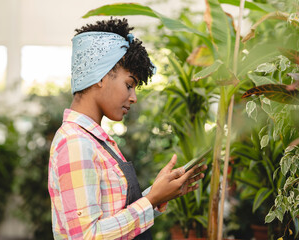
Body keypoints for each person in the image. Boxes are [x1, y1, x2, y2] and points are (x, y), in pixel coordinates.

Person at [48, 18, 207, 239]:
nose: (133, 98)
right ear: (101, 76)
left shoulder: (95, 141)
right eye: (129, 85)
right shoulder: (75, 142)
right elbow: (86, 236)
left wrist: (158, 194)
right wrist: (150, 201)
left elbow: (112, 214)